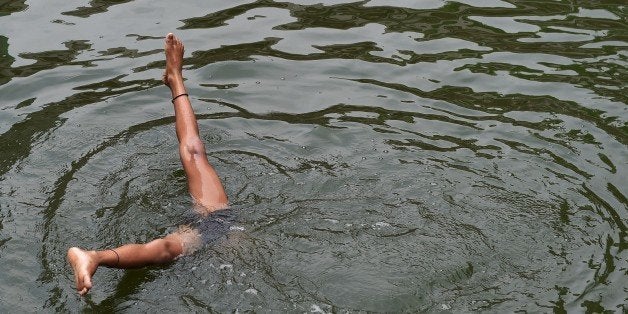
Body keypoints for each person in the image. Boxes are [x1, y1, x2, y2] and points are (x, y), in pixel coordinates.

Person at [67, 33, 229, 296]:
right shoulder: (223, 237)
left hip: (216, 223)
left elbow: (192, 149)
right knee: (166, 248)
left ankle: (175, 79)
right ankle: (94, 257)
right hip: (220, 227)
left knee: (194, 154)